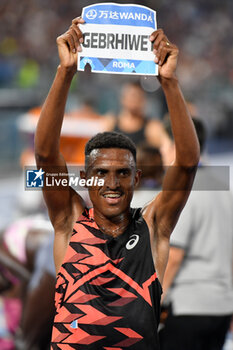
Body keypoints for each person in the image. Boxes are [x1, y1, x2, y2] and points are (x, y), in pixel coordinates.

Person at [34, 17, 200, 349]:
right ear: (84, 178)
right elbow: (45, 153)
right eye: (101, 173)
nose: (112, 182)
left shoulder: (154, 226)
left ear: (136, 178)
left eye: (123, 173)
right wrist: (65, 72)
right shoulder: (69, 220)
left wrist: (169, 82)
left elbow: (186, 163)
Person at [159, 118, 233, 350]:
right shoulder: (223, 186)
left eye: (163, 143)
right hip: (221, 308)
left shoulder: (183, 188)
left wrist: (153, 303)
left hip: (187, 307)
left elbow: (174, 256)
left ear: (174, 147)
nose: (161, 151)